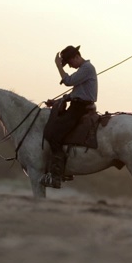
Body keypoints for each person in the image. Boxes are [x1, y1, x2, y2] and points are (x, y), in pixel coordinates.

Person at [40, 45, 98, 188]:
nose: (70, 67)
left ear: (76, 57)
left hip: (79, 109)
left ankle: (57, 175)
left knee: (53, 135)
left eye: (70, 63)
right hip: (76, 106)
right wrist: (57, 101)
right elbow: (74, 94)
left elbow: (68, 81)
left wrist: (58, 66)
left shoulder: (87, 68)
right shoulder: (83, 70)